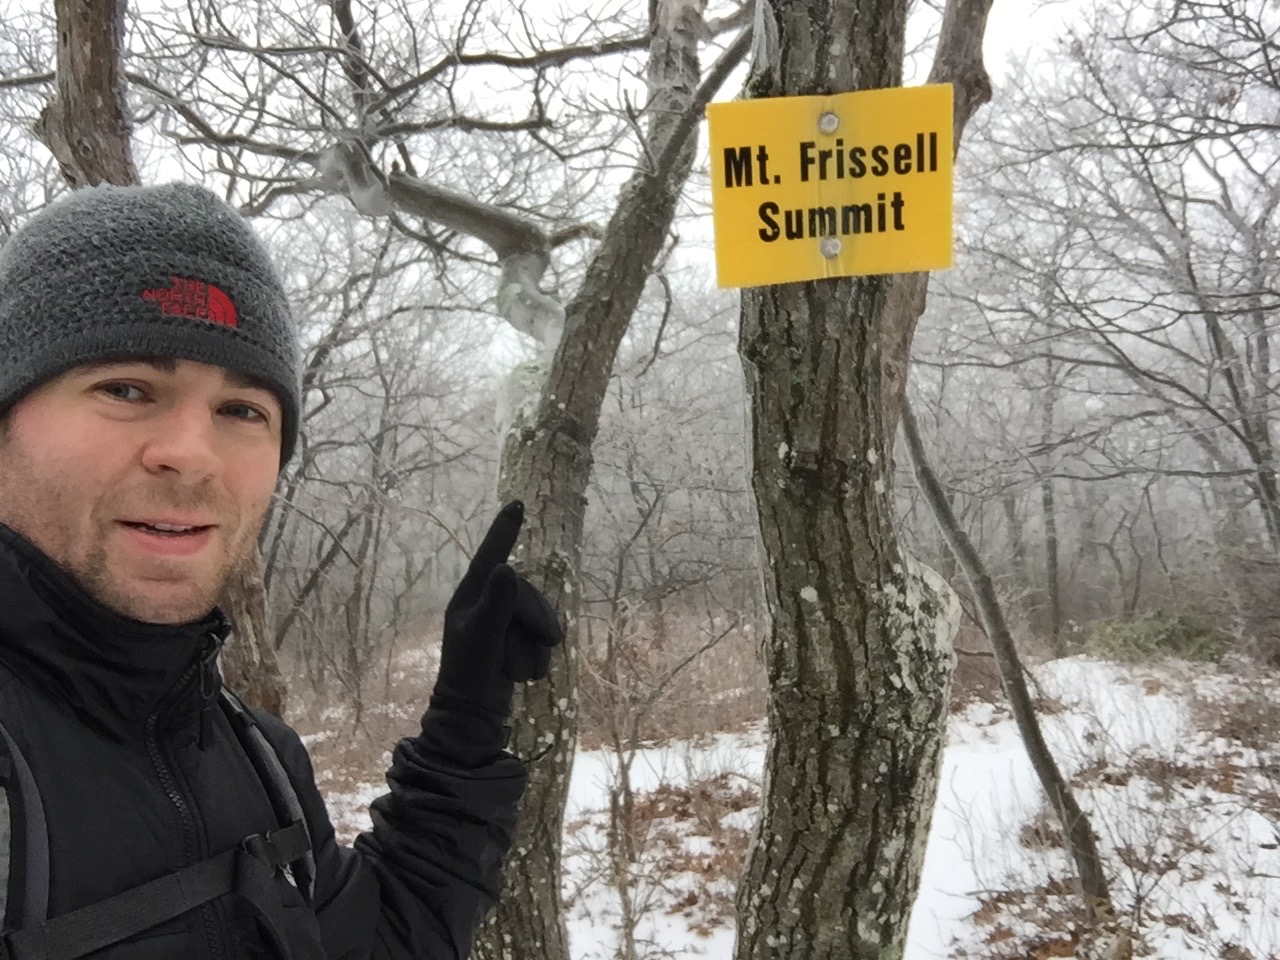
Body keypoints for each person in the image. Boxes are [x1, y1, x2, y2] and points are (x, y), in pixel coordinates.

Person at [0, 183, 563, 960]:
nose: (191, 454)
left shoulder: (253, 754)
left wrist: (465, 730)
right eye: (125, 389)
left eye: (241, 410)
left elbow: (375, 945)